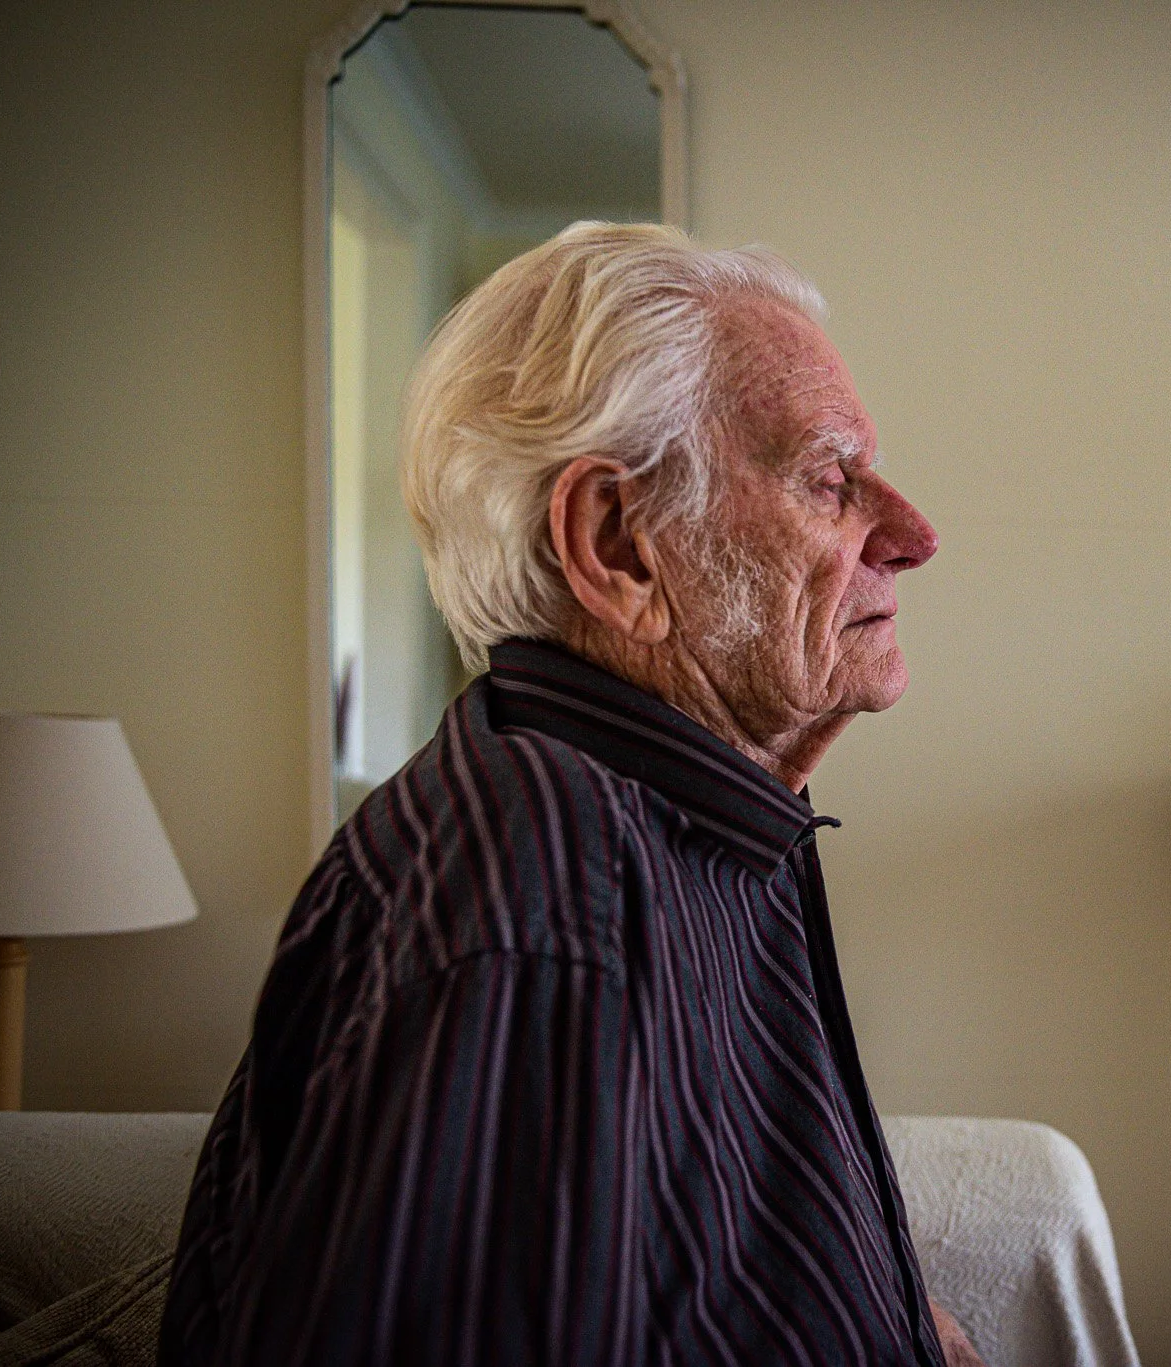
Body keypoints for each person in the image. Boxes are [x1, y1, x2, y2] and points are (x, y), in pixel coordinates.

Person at [160, 223, 984, 1367]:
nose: (912, 534)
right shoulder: (540, 892)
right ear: (617, 547)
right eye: (830, 478)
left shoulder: (697, 814)